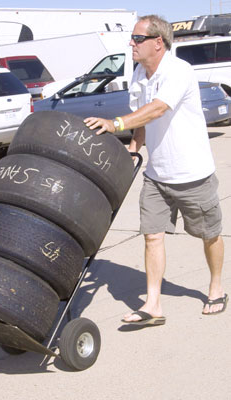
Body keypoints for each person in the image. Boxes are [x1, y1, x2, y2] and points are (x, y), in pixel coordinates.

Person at [84, 14, 228, 325]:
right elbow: (143, 119)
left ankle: (216, 287)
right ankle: (153, 305)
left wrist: (115, 124)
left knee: (209, 235)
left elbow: (158, 108)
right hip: (157, 176)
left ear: (158, 43)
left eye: (137, 39)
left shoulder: (179, 71)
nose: (131, 44)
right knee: (152, 236)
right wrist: (134, 151)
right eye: (132, 39)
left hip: (192, 174)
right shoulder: (139, 73)